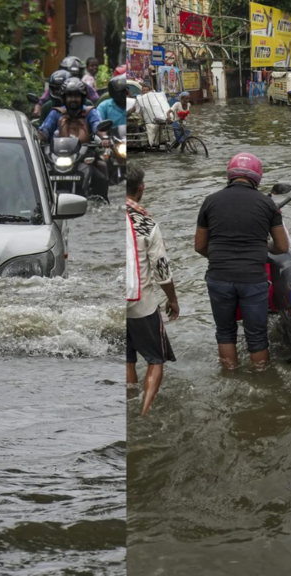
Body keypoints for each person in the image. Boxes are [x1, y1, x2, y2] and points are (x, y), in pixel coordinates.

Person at [195, 153, 290, 371]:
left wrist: (221, 257)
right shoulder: (267, 204)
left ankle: (230, 375)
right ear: (257, 177)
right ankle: (260, 381)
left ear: (230, 174)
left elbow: (200, 246)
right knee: (256, 334)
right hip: (252, 277)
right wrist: (260, 245)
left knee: (225, 332)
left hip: (219, 276)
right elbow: (282, 247)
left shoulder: (210, 201)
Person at [126, 162, 178, 416]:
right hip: (140, 303)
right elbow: (161, 268)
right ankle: (144, 413)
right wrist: (173, 299)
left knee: (128, 357)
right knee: (156, 359)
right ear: (141, 188)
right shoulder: (145, 222)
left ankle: (128, 398)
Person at [33, 56, 101, 117]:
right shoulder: (50, 108)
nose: (73, 99)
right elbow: (41, 102)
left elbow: (97, 102)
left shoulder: (87, 99)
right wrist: (37, 112)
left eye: (77, 96)